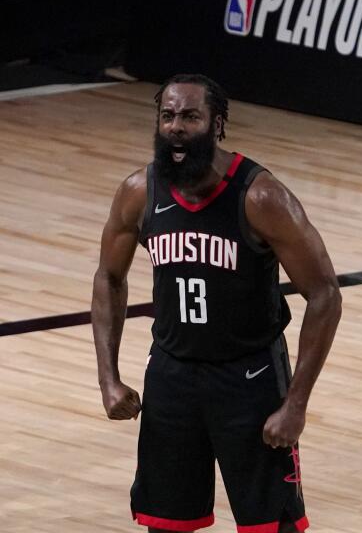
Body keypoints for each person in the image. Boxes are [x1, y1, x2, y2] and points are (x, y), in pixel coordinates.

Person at [92, 74, 342, 533]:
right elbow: (109, 277)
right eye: (167, 116)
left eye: (190, 116)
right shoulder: (138, 192)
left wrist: (296, 404)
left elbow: (325, 294)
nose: (176, 128)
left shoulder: (261, 197)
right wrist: (108, 378)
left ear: (217, 124)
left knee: (272, 526)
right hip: (171, 375)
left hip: (248, 378)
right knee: (164, 522)